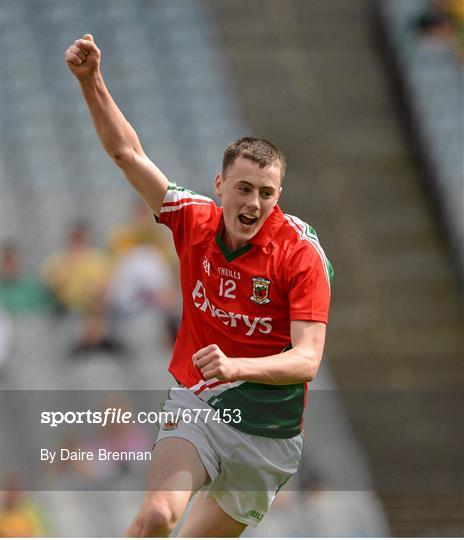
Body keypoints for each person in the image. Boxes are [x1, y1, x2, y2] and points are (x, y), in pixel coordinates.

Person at [65, 34, 333, 537]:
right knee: (156, 517)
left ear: (280, 195)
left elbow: (307, 360)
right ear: (219, 185)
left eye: (267, 193)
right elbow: (127, 153)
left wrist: (237, 366)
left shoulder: (300, 255)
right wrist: (90, 80)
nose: (253, 203)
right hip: (201, 402)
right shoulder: (193, 220)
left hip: (269, 437)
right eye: (244, 188)